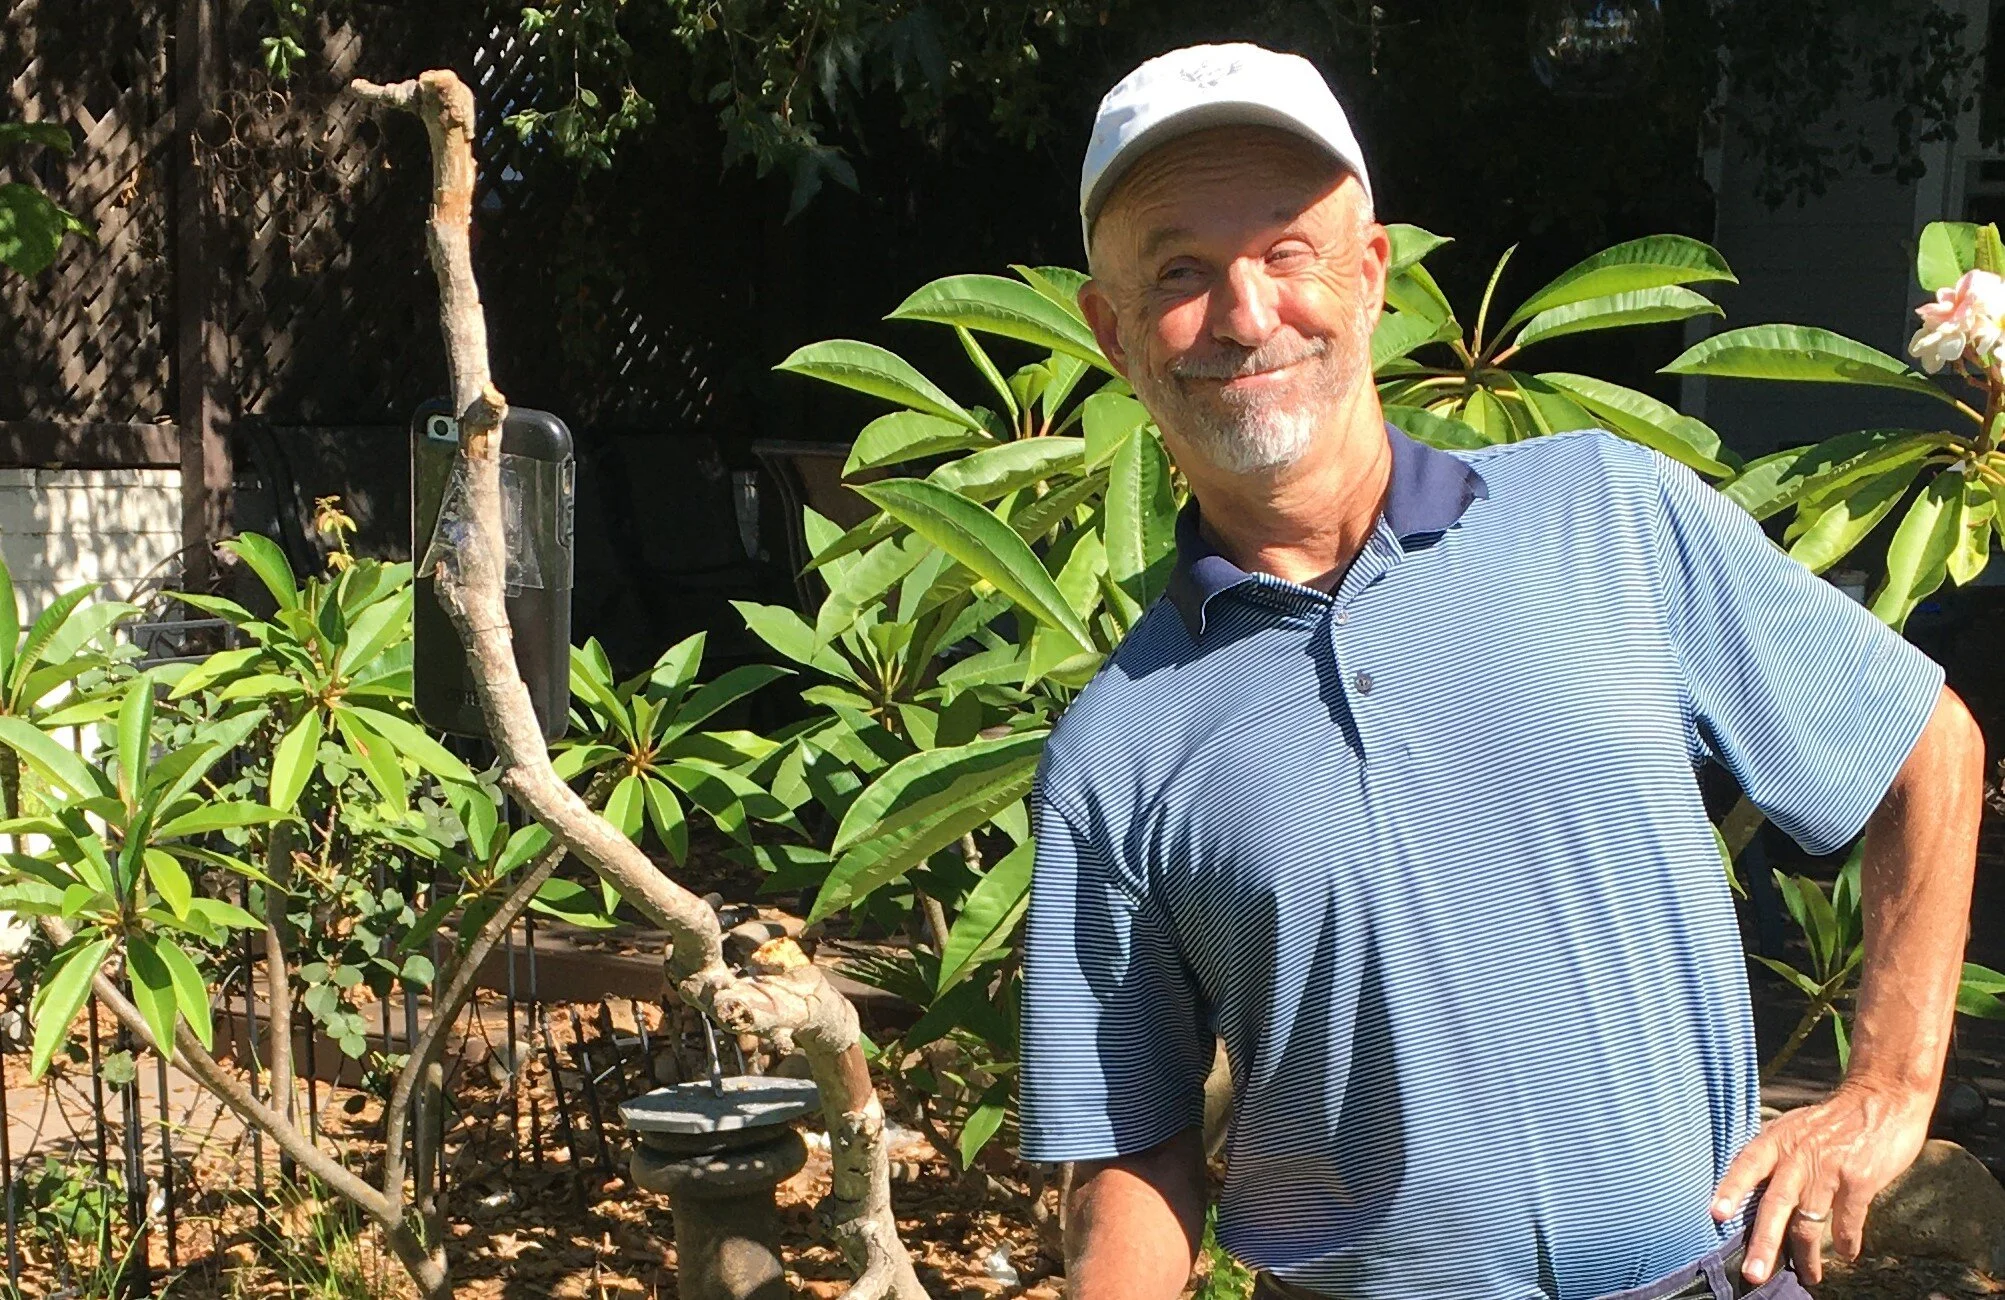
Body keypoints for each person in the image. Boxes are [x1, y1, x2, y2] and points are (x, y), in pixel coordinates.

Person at [1016, 41, 1986, 1300]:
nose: (1246, 315)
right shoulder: (1114, 749)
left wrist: (1888, 1087)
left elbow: (1923, 743)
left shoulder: (1610, 512)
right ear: (1111, 331)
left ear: (1371, 277)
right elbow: (1134, 1148)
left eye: (1286, 252)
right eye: (1178, 273)